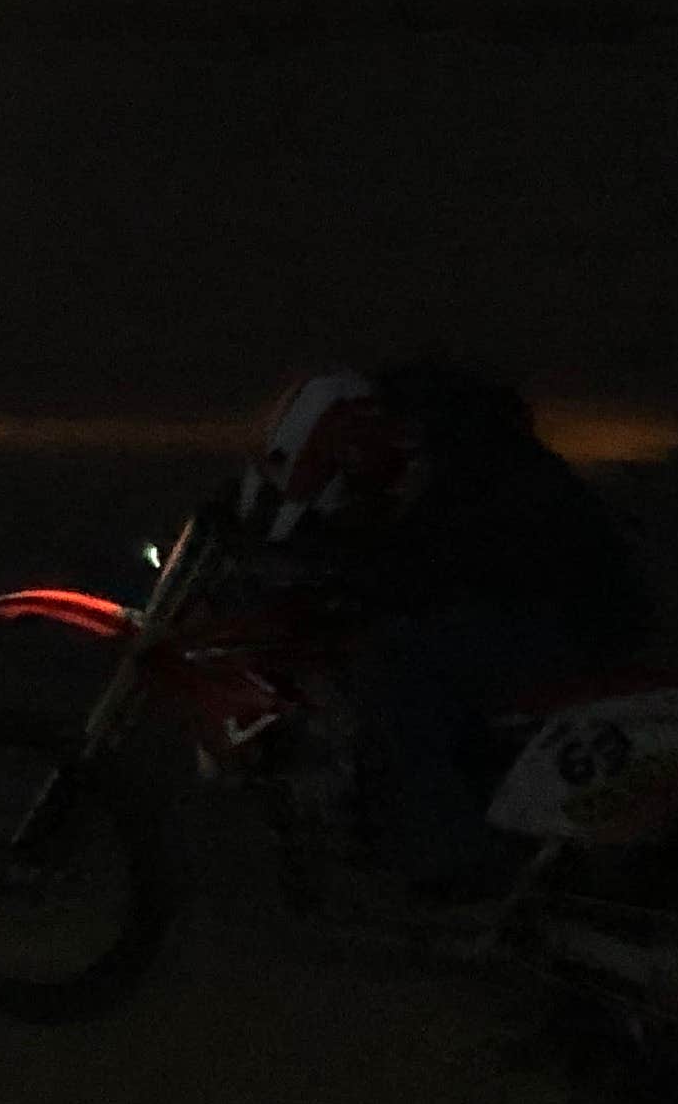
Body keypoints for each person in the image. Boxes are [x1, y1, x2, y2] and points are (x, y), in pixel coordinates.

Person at [245, 362, 656, 900]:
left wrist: (344, 571)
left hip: (563, 626)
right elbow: (425, 550)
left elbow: (435, 559)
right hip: (566, 615)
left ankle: (454, 861)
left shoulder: (471, 467)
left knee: (396, 668)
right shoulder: (475, 451)